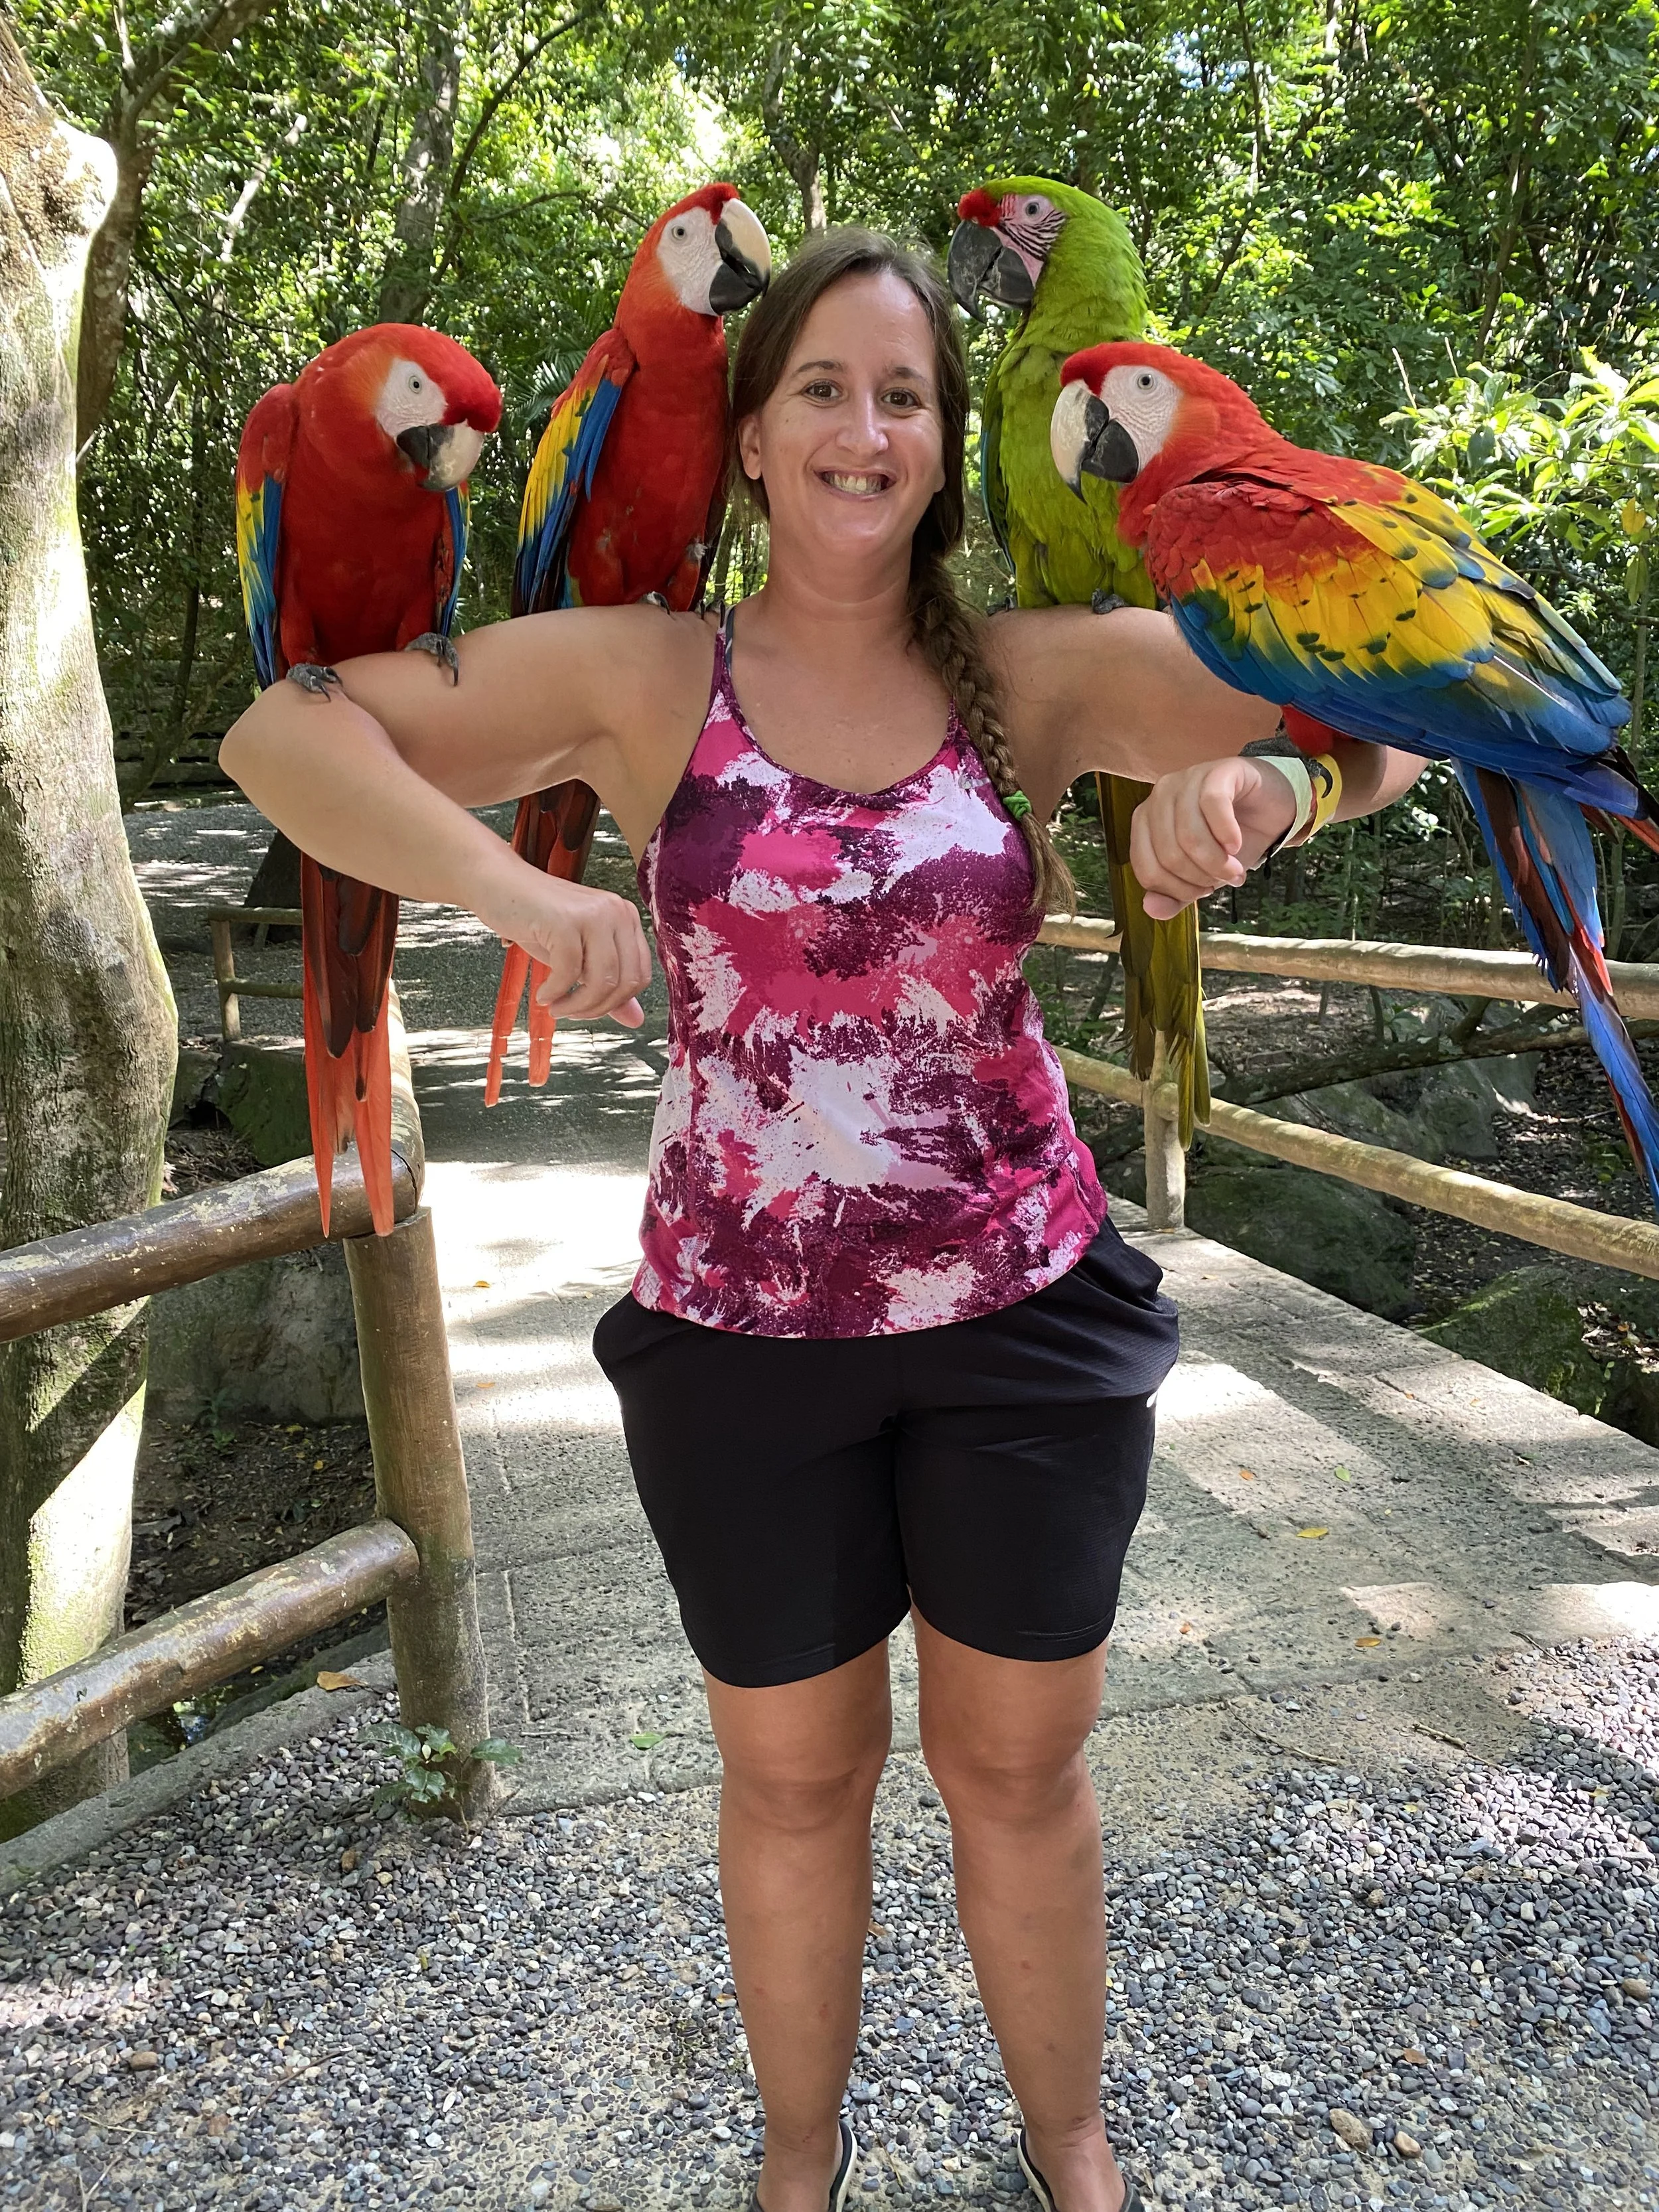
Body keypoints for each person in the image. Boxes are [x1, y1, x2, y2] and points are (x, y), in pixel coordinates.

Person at [222, 227, 1420, 2212]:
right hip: (737, 1336)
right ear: (753, 442)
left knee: (1017, 1775)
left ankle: (1073, 2156)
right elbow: (284, 737)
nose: (866, 430)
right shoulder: (638, 666)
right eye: (821, 394)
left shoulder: (1031, 671)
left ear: (946, 447)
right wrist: (521, 901)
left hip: (1019, 1312)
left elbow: (1371, 713)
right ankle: (798, 2175)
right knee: (791, 1784)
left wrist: (1261, 805)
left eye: (906, 397)